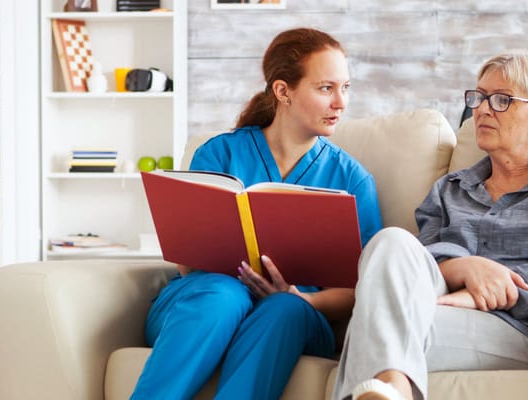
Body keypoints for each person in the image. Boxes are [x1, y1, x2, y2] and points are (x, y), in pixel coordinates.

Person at [332, 49, 528, 400]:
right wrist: (464, 267)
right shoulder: (450, 189)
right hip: (444, 305)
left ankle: (388, 388)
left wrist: (481, 295)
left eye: (501, 100)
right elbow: (422, 263)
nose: (481, 109)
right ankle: (393, 389)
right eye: (479, 97)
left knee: (373, 324)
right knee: (391, 241)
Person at [131, 28, 383, 399]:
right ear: (283, 92)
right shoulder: (218, 155)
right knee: (222, 293)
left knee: (285, 308)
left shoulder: (352, 180)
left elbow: (357, 289)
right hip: (205, 300)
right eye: (326, 88)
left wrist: (303, 298)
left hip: (295, 316)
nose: (341, 102)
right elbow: (187, 262)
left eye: (345, 87)